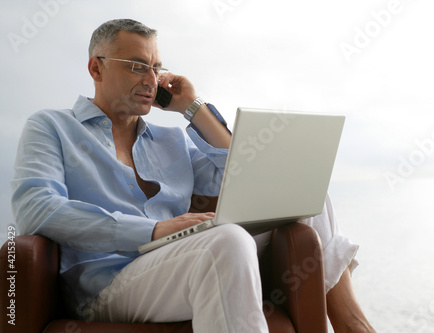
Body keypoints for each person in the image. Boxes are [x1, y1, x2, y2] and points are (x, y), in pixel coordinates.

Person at [11, 19, 375, 332]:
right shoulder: (52, 126)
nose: (152, 79)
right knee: (227, 241)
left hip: (177, 262)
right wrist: (153, 231)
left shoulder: (170, 140)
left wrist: (192, 107)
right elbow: (36, 209)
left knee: (299, 190)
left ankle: (350, 324)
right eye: (137, 66)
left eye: (156, 67)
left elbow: (243, 175)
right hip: (107, 285)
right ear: (97, 68)